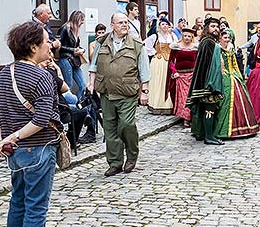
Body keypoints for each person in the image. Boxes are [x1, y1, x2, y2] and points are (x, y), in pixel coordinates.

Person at [0, 21, 61, 227]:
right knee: (36, 206)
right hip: (37, 148)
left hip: (15, 152)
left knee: (18, 199)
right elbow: (41, 119)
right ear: (32, 47)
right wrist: (11, 137)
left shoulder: (3, 73)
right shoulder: (42, 76)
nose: (50, 44)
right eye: (46, 40)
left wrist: (1, 142)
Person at [87, 13, 150, 176]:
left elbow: (144, 70)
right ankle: (115, 162)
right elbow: (94, 66)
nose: (125, 25)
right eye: (121, 22)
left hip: (127, 92)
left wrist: (145, 91)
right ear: (112, 25)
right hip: (106, 92)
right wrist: (91, 83)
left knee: (126, 125)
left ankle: (131, 155)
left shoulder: (136, 44)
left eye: (126, 22)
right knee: (110, 128)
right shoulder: (102, 42)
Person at [215, 29, 260, 139]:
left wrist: (238, 75)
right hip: (223, 77)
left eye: (228, 38)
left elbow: (234, 63)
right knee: (225, 101)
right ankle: (222, 130)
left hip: (233, 75)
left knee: (241, 99)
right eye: (225, 37)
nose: (227, 40)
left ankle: (243, 127)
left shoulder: (230, 49)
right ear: (220, 38)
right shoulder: (217, 49)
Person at [186, 17, 224, 145]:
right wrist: (212, 84)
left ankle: (201, 133)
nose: (216, 29)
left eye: (217, 27)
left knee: (204, 109)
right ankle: (209, 136)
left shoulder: (206, 41)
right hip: (208, 83)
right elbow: (210, 66)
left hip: (202, 82)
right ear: (207, 28)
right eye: (213, 26)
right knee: (209, 109)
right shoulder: (209, 42)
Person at [144, 17, 177, 114]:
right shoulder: (155, 36)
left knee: (168, 82)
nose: (165, 26)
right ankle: (157, 105)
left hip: (169, 61)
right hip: (158, 62)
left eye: (167, 24)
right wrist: (155, 52)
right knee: (158, 82)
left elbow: (177, 47)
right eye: (163, 24)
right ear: (159, 26)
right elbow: (146, 46)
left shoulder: (173, 36)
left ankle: (169, 105)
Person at [168, 28, 199, 126]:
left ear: (192, 38)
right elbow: (171, 62)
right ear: (182, 36)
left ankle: (190, 116)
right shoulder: (176, 47)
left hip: (191, 75)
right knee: (183, 98)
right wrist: (174, 71)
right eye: (185, 36)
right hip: (180, 76)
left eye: (189, 36)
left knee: (190, 97)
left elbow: (198, 61)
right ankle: (185, 118)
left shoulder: (195, 48)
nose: (187, 38)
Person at [57, 10, 87, 97]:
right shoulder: (65, 28)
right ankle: (69, 107)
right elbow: (59, 46)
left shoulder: (75, 30)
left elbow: (77, 45)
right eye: (81, 21)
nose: (82, 23)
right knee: (68, 86)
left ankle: (79, 107)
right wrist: (73, 50)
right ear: (76, 19)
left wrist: (82, 50)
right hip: (65, 60)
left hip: (74, 61)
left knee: (83, 85)